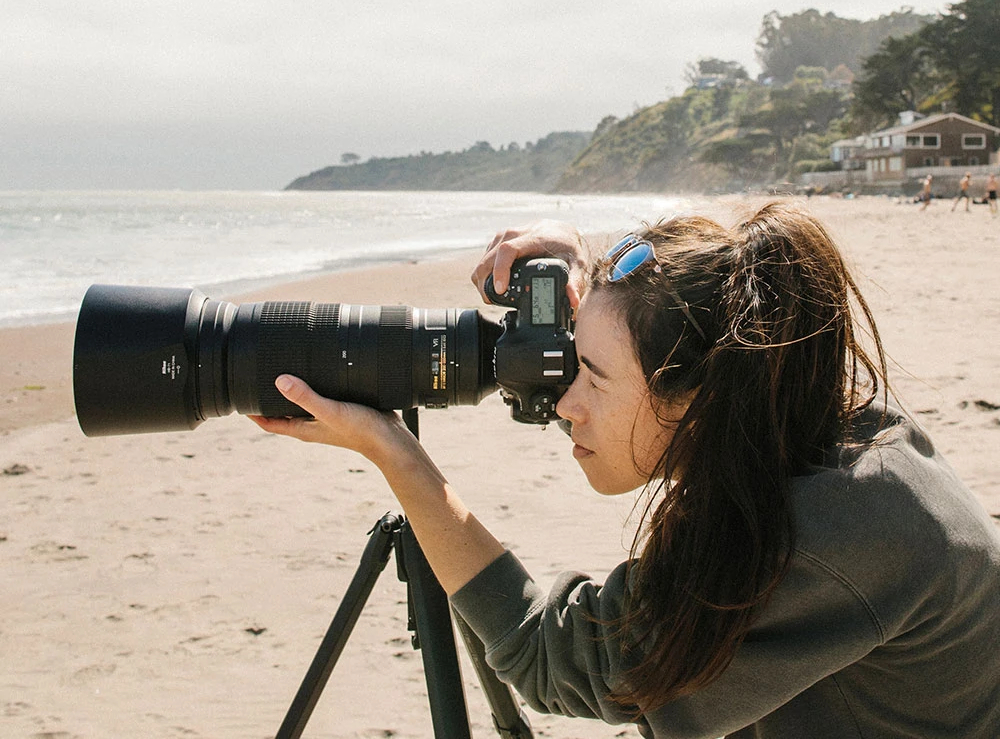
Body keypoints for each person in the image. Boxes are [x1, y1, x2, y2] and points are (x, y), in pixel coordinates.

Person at [251, 203, 1000, 738]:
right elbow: (699, 300)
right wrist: (582, 263)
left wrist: (396, 455)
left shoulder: (831, 536)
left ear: (699, 398)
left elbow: (544, 656)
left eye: (593, 378)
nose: (563, 406)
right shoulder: (817, 421)